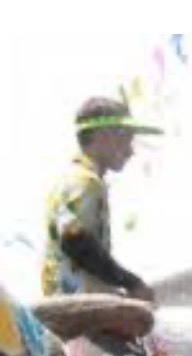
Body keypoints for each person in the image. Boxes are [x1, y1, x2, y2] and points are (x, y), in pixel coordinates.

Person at [42, 97, 159, 302]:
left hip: (67, 299)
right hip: (76, 306)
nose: (131, 151)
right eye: (126, 139)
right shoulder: (85, 182)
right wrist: (131, 282)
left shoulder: (72, 178)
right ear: (103, 137)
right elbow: (75, 241)